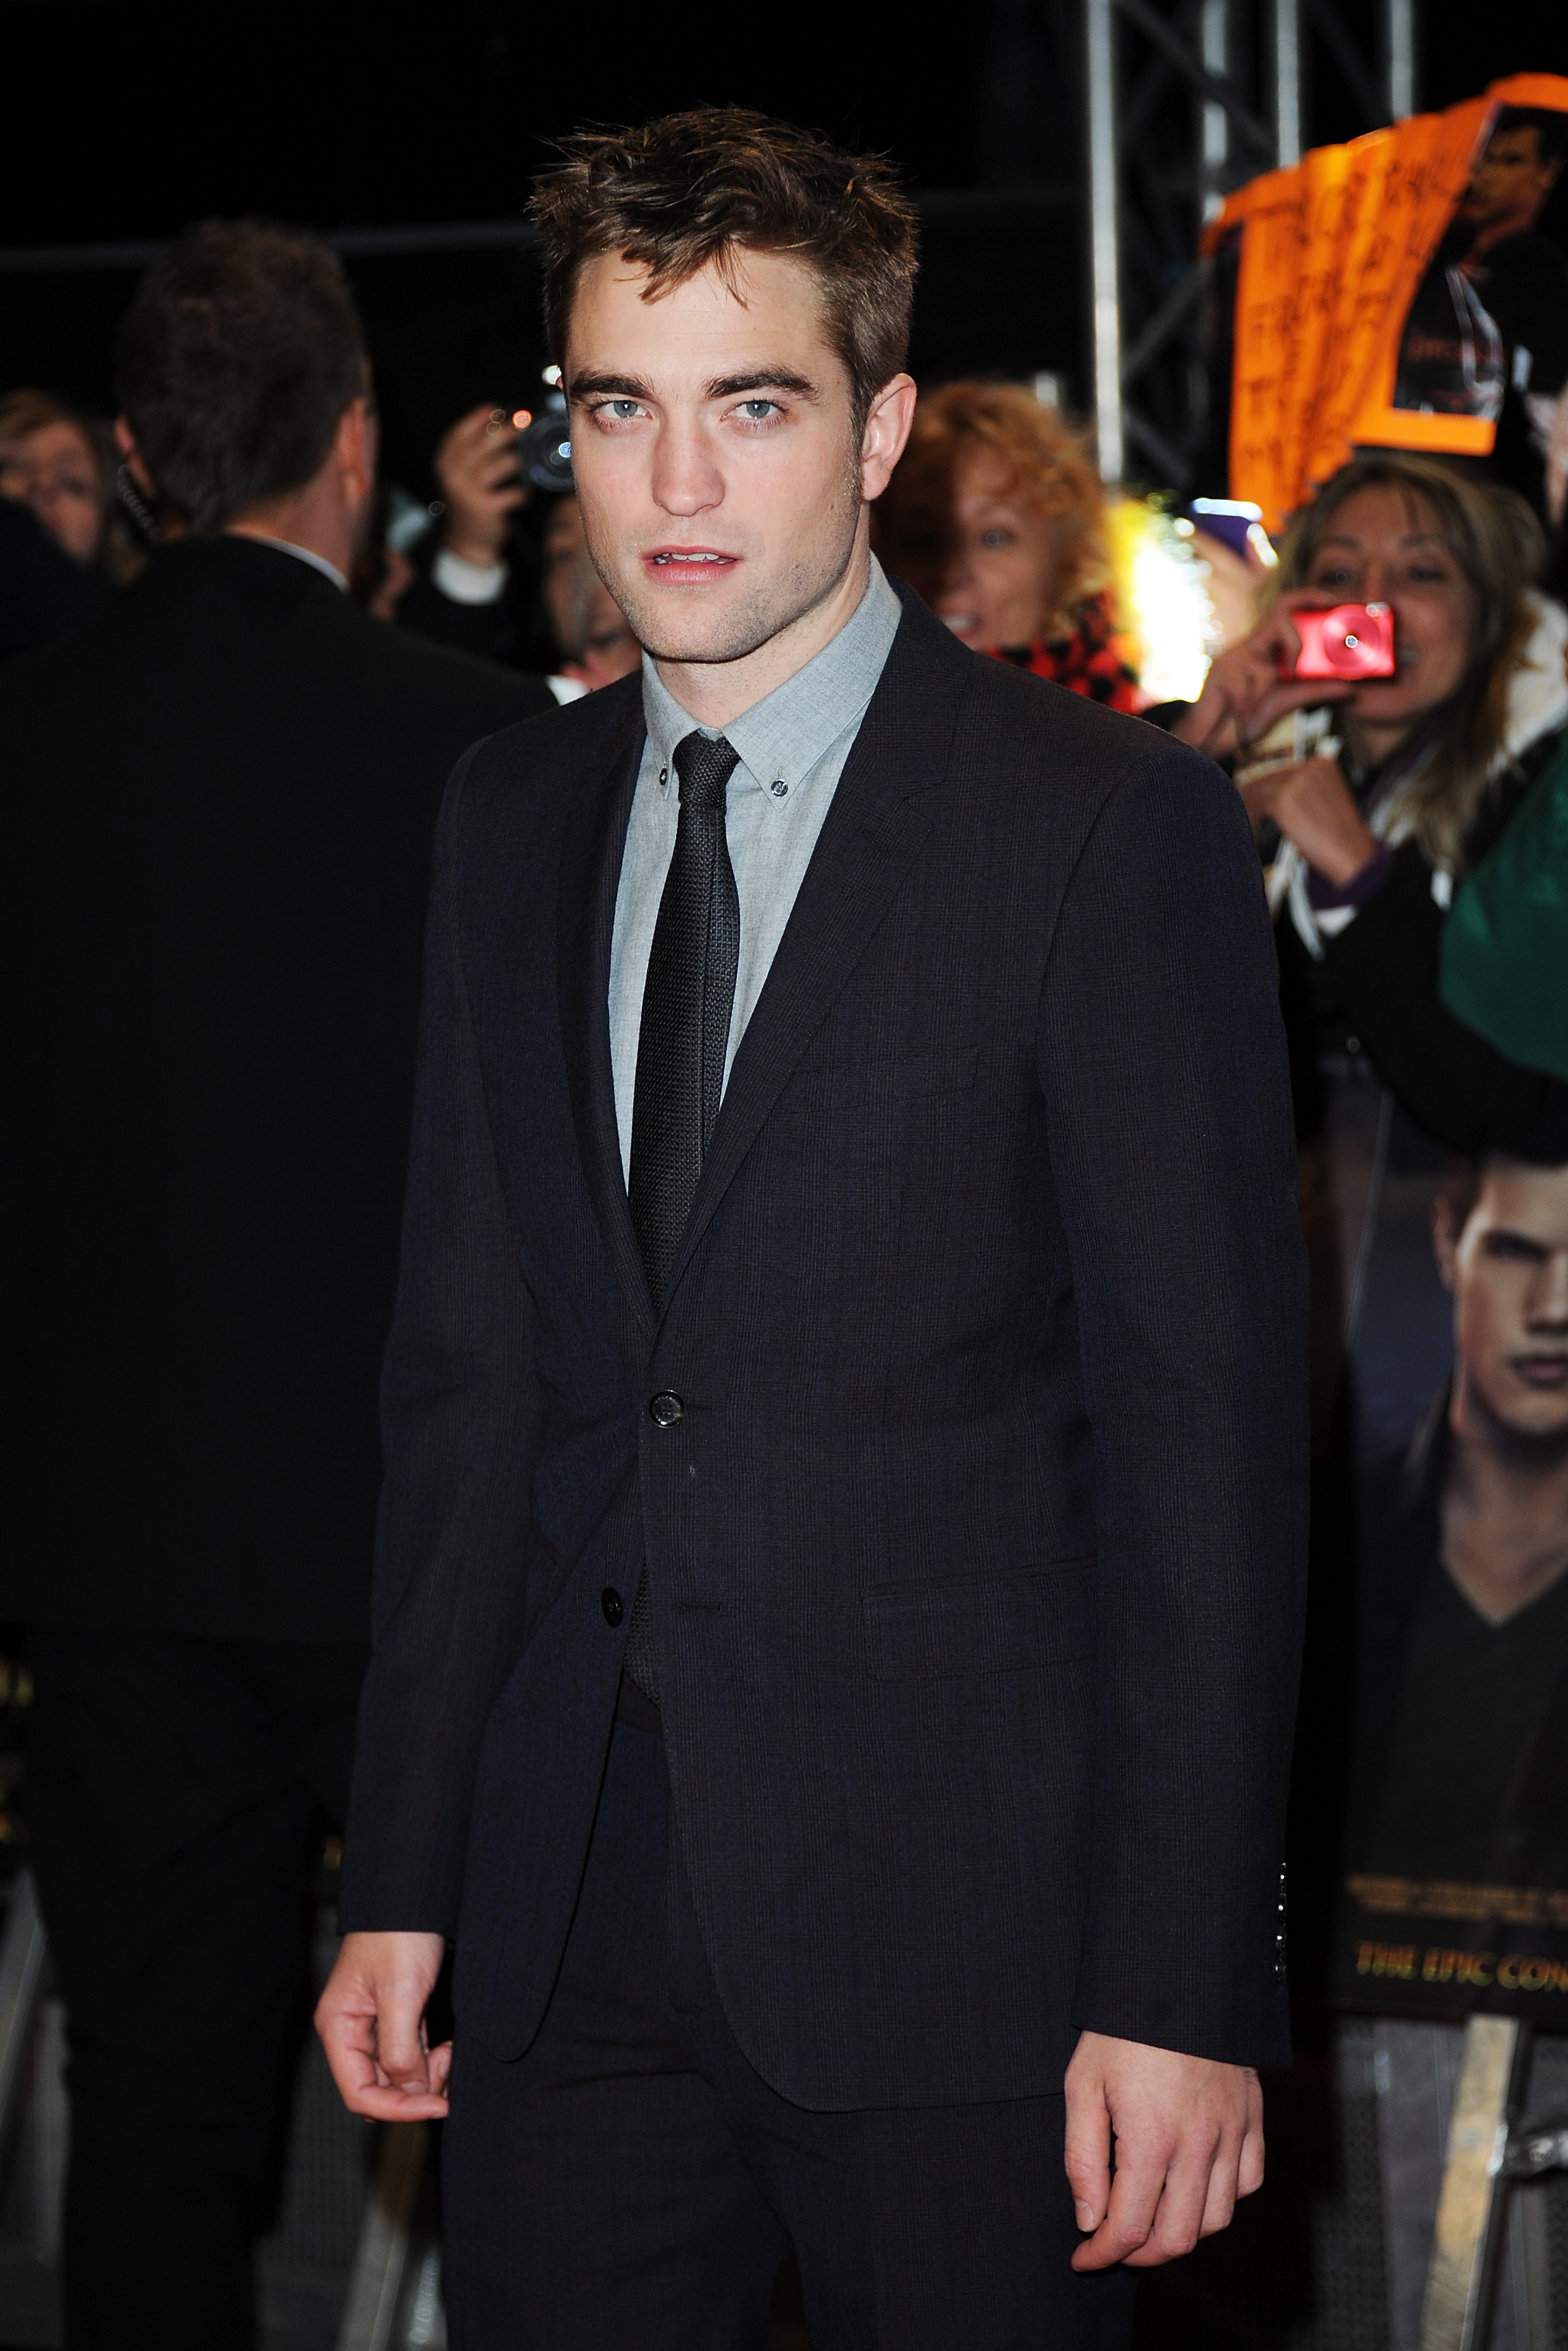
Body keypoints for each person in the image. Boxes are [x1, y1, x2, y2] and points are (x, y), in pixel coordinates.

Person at [315, 106, 1308, 2351]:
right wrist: (406, 1860)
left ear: (873, 432)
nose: (673, 484)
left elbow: (1206, 1447)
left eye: (749, 408)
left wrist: (1179, 1978)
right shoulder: (503, 810)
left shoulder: (1097, 828)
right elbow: (465, 1383)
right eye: (618, 410)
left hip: (973, 1939)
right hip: (563, 1915)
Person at [0, 221, 553, 2350]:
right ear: (356, 441)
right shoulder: (474, 746)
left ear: (139, 459)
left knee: (152, 2111)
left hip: (113, 1552)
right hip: (423, 1539)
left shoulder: (27, 736)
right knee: (518, 2083)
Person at [1168, 454, 1568, 1155]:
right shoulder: (1232, 759)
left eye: (1422, 573)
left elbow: (1505, 1108)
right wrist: (1198, 744)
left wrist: (1358, 880)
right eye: (1338, 576)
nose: (1374, 607)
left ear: (1489, 611)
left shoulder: (1546, 805)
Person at [873, 377, 1141, 709]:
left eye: (994, 538)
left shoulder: (1157, 735)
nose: (951, 572)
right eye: (922, 541)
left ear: (1066, 563)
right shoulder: (844, 725)